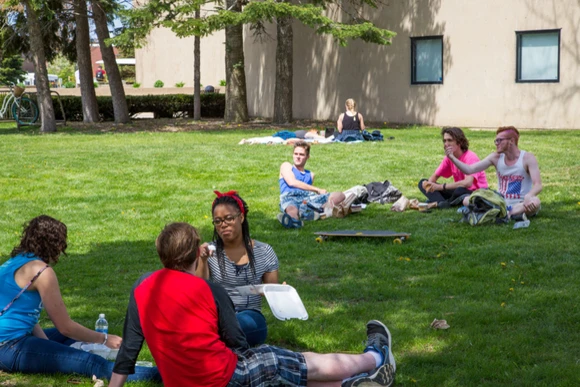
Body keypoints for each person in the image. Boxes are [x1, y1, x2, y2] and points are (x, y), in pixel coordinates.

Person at [109, 222, 396, 387]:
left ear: (161, 255)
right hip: (226, 377)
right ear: (198, 253)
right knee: (301, 362)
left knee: (286, 376)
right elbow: (237, 344)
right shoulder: (208, 289)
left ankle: (355, 384)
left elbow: (128, 353)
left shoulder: (141, 288)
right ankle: (376, 356)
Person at [0, 215, 160, 382]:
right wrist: (105, 339)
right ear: (55, 244)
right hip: (9, 347)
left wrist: (48, 347)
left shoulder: (14, 262)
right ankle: (160, 375)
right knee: (94, 363)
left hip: (11, 340)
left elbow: (26, 316)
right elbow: (65, 327)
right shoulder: (41, 271)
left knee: (75, 337)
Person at [195, 190, 279, 346]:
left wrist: (281, 292)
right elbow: (199, 287)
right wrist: (202, 259)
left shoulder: (264, 251)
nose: (223, 225)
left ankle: (211, 342)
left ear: (241, 217)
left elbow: (271, 290)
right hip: (219, 315)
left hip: (251, 317)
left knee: (238, 325)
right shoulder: (210, 251)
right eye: (218, 221)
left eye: (229, 218)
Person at [445, 126, 542, 219]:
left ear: (511, 141)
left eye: (500, 140)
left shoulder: (527, 158)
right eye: (496, 140)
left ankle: (501, 214)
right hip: (499, 202)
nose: (496, 143)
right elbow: (469, 170)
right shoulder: (495, 157)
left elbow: (538, 185)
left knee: (536, 202)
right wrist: (452, 158)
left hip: (521, 203)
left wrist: (528, 196)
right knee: (467, 200)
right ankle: (507, 214)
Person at [278, 140, 346, 228]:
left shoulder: (310, 175)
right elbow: (292, 182)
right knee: (292, 208)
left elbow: (308, 192)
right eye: (296, 154)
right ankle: (294, 221)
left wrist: (325, 198)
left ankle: (322, 210)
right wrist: (317, 189)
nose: (298, 157)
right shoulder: (286, 166)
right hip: (290, 196)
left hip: (307, 198)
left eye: (301, 154)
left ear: (307, 157)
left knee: (340, 195)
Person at [418, 127, 488, 208]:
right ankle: (443, 203)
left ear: (459, 142)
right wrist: (428, 184)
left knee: (459, 190)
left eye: (450, 140)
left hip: (475, 192)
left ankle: (440, 203)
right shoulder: (449, 158)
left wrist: (441, 187)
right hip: (459, 190)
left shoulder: (471, 157)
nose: (446, 144)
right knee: (422, 182)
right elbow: (434, 177)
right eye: (444, 141)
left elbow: (468, 183)